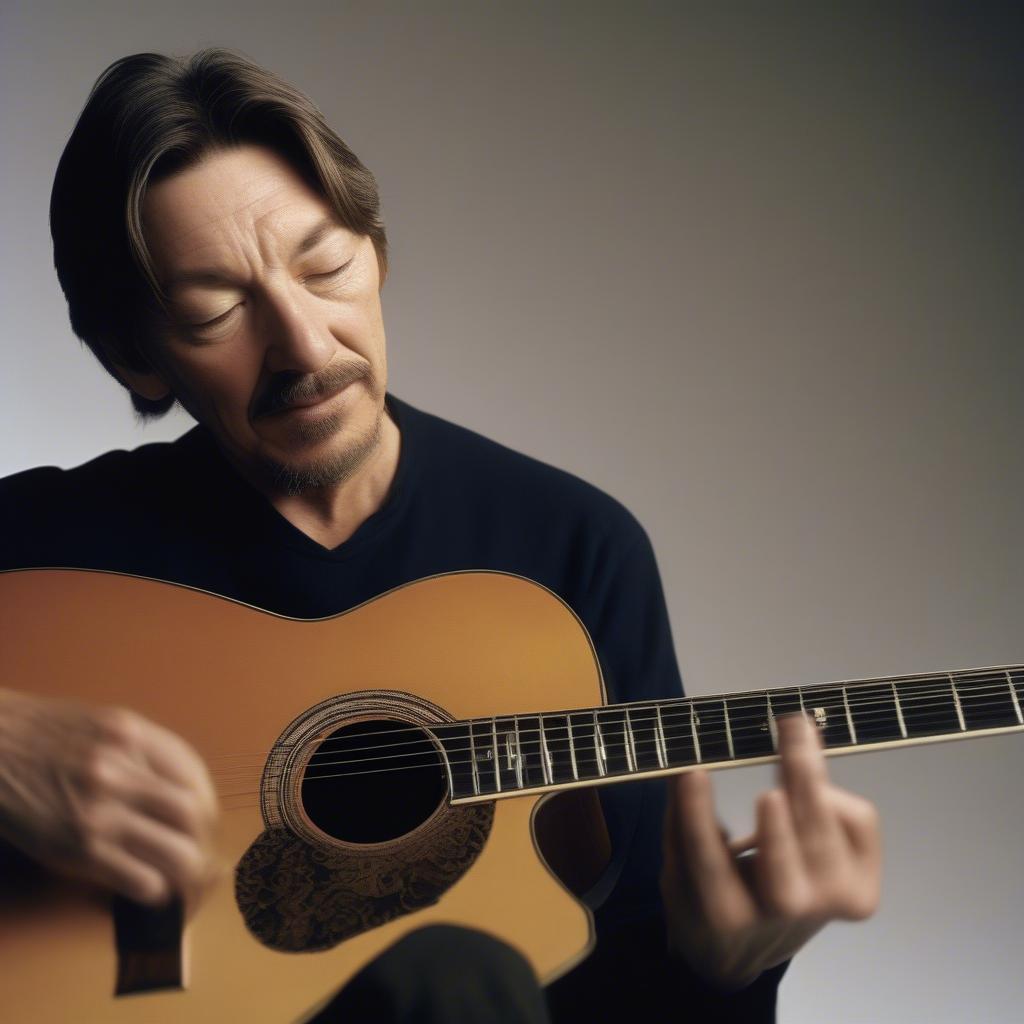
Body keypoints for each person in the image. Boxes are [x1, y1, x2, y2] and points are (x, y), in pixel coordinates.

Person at [0, 48, 881, 1022]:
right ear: (138, 355)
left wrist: (726, 968)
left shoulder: (569, 550)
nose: (303, 343)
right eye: (217, 309)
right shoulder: (44, 549)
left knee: (453, 977)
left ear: (376, 255)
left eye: (325, 266)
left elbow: (620, 983)